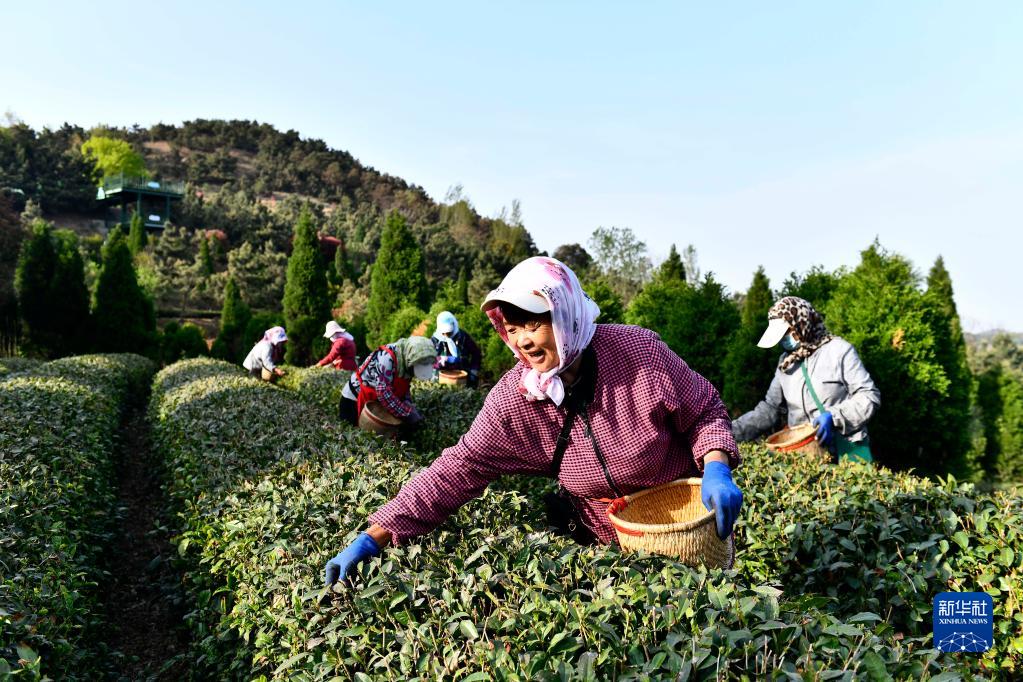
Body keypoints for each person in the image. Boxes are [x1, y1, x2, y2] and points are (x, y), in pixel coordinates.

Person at [324, 256, 743, 585]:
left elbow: (704, 410)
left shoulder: (638, 353)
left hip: (689, 527)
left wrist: (717, 468)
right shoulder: (517, 397)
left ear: (565, 312)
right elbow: (459, 468)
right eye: (512, 328)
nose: (523, 339)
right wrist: (374, 536)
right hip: (611, 547)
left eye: (533, 322)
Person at [731, 296, 880, 462]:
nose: (783, 340)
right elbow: (770, 409)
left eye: (786, 333)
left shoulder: (839, 351)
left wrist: (834, 417)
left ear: (801, 323)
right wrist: (730, 431)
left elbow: (869, 396)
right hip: (805, 454)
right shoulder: (786, 362)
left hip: (846, 450)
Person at [338, 335, 437, 428]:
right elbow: (383, 394)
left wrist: (409, 405)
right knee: (354, 432)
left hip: (374, 401)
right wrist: (407, 413)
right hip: (353, 400)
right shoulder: (387, 358)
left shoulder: (407, 362)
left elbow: (404, 390)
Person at [431, 311, 481, 387]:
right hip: (441, 377)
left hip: (463, 375)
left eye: (449, 333)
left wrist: (474, 370)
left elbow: (476, 353)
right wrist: (440, 360)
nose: (447, 336)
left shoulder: (463, 337)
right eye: (444, 333)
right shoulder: (435, 340)